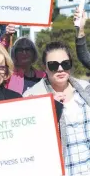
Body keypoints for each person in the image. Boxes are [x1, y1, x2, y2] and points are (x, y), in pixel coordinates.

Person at [23, 41, 90, 176]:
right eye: (53, 65)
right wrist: (48, 109)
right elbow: (31, 142)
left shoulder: (85, 88)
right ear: (45, 67)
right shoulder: (33, 96)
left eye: (65, 64)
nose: (60, 69)